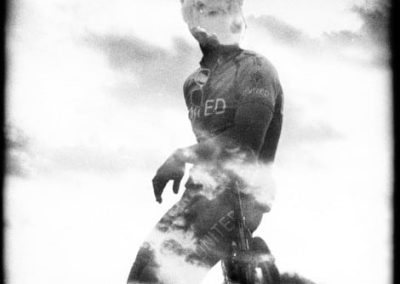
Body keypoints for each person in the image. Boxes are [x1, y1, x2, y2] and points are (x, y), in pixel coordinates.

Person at [127, 0, 283, 283]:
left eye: (214, 11)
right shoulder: (192, 84)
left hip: (240, 197)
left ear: (233, 18)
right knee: (138, 277)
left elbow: (245, 142)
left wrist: (181, 156)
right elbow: (210, 145)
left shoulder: (256, 68)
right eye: (195, 10)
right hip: (197, 195)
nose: (203, 18)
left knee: (157, 278)